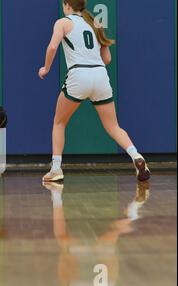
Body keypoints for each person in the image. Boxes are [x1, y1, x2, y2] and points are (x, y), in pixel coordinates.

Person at [39, 0, 150, 182]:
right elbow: (107, 58)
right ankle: (136, 156)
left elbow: (52, 47)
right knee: (113, 126)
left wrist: (45, 68)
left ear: (67, 4)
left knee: (59, 122)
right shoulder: (95, 22)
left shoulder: (63, 22)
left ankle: (56, 169)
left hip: (79, 74)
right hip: (100, 74)